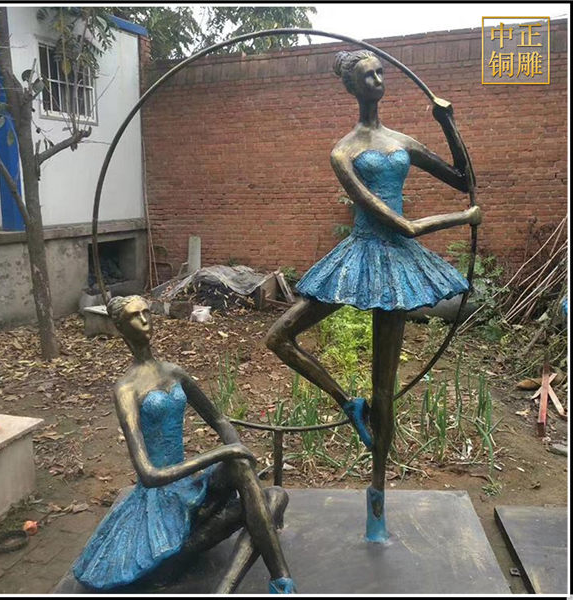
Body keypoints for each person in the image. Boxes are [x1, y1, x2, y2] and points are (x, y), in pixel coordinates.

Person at [266, 50, 481, 543]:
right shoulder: (343, 153)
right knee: (279, 337)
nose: (379, 80)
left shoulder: (402, 141)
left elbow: (463, 180)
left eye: (381, 72)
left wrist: (447, 124)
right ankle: (348, 404)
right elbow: (401, 224)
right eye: (369, 75)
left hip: (398, 268)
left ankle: (377, 504)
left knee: (386, 391)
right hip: (362, 254)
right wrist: (462, 219)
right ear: (352, 87)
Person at [73, 295, 295, 593]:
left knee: (272, 492)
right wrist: (225, 452)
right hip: (158, 499)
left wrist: (238, 454)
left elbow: (219, 420)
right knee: (268, 499)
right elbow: (149, 475)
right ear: (121, 327)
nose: (144, 320)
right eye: (134, 317)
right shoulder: (126, 389)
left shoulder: (173, 372)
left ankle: (277, 582)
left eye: (146, 312)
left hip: (188, 487)